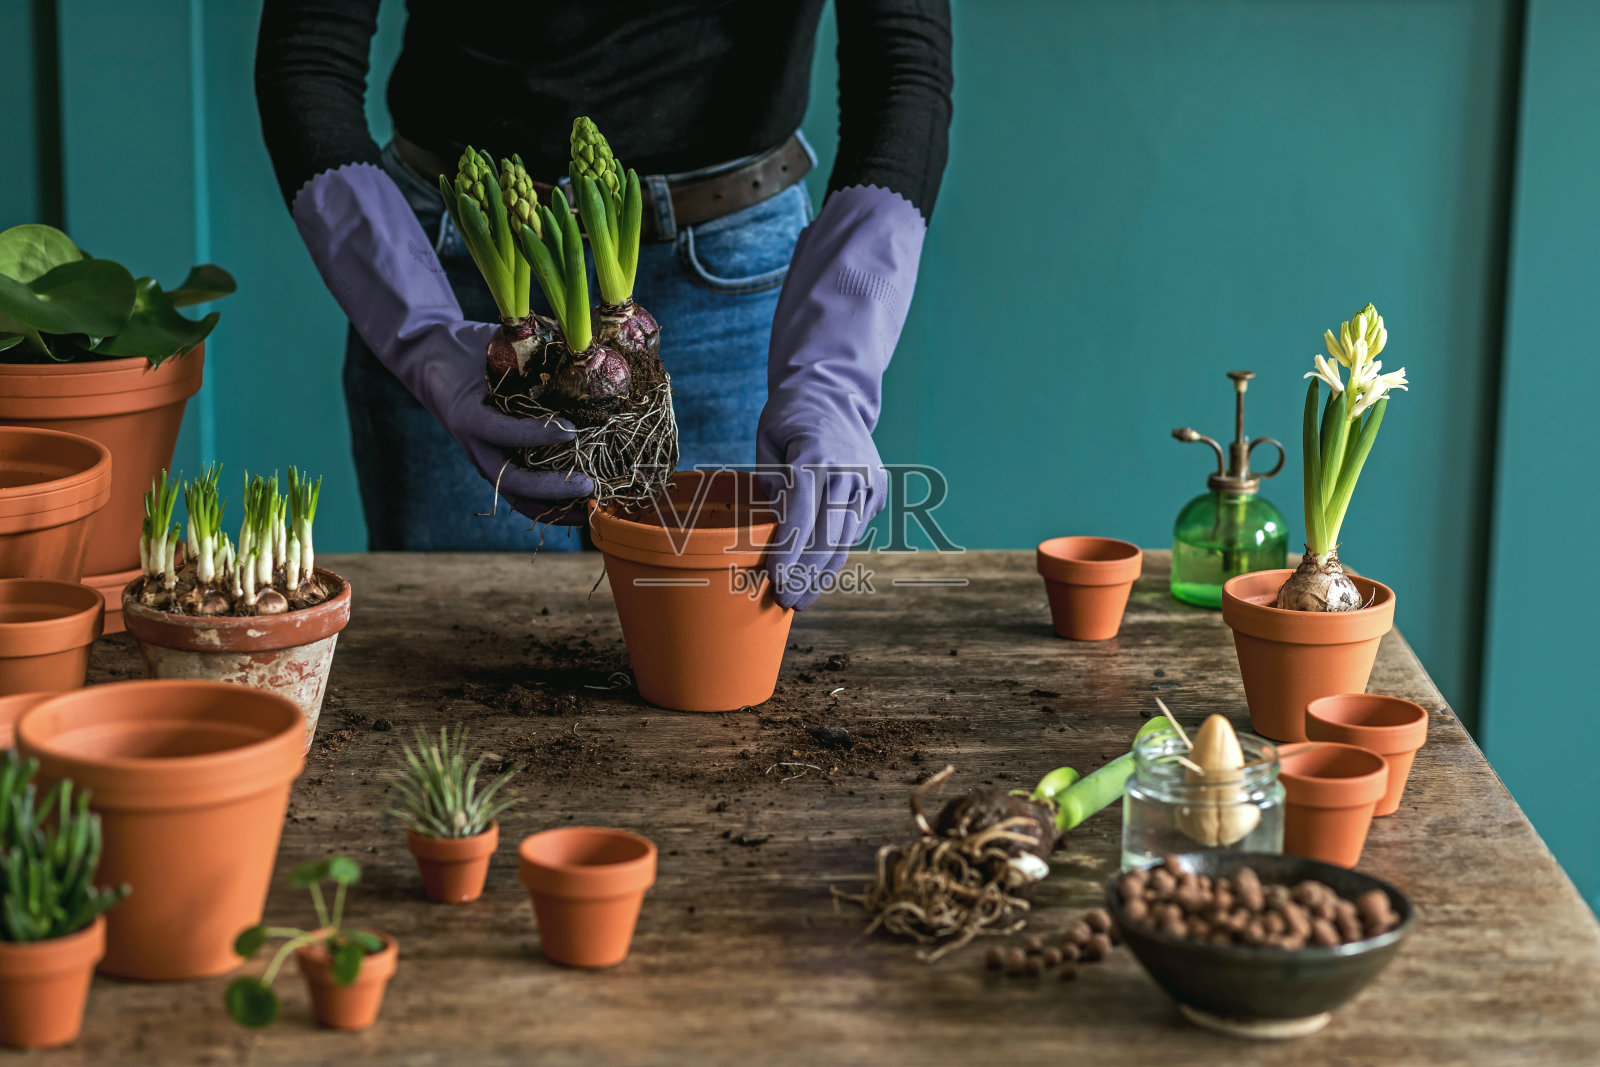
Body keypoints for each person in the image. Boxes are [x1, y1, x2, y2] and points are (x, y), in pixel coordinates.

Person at [255, 1, 951, 607]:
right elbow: (307, 53)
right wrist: (424, 332)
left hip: (734, 288)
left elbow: (904, 60)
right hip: (455, 276)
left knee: (729, 689)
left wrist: (833, 369)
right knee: (466, 667)